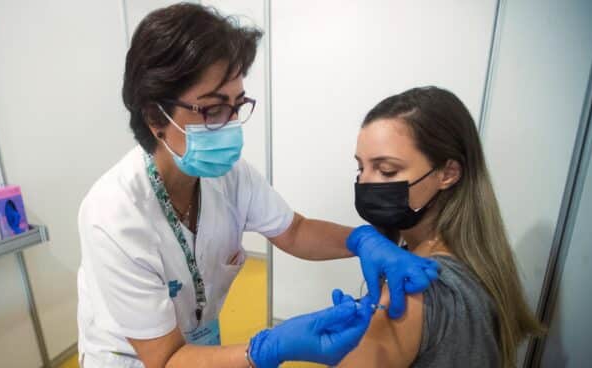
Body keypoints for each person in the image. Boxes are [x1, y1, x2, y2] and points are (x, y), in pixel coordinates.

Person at [77, 4, 439, 367]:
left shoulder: (230, 176)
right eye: (213, 110)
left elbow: (294, 231)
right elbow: (167, 359)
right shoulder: (112, 215)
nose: (233, 124)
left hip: (197, 342)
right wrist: (268, 349)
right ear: (156, 115)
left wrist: (360, 241)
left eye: (238, 105)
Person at [338, 86, 544, 368]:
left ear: (447, 173)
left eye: (386, 170)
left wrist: (260, 355)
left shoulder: (412, 287)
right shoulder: (474, 259)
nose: (365, 183)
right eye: (361, 168)